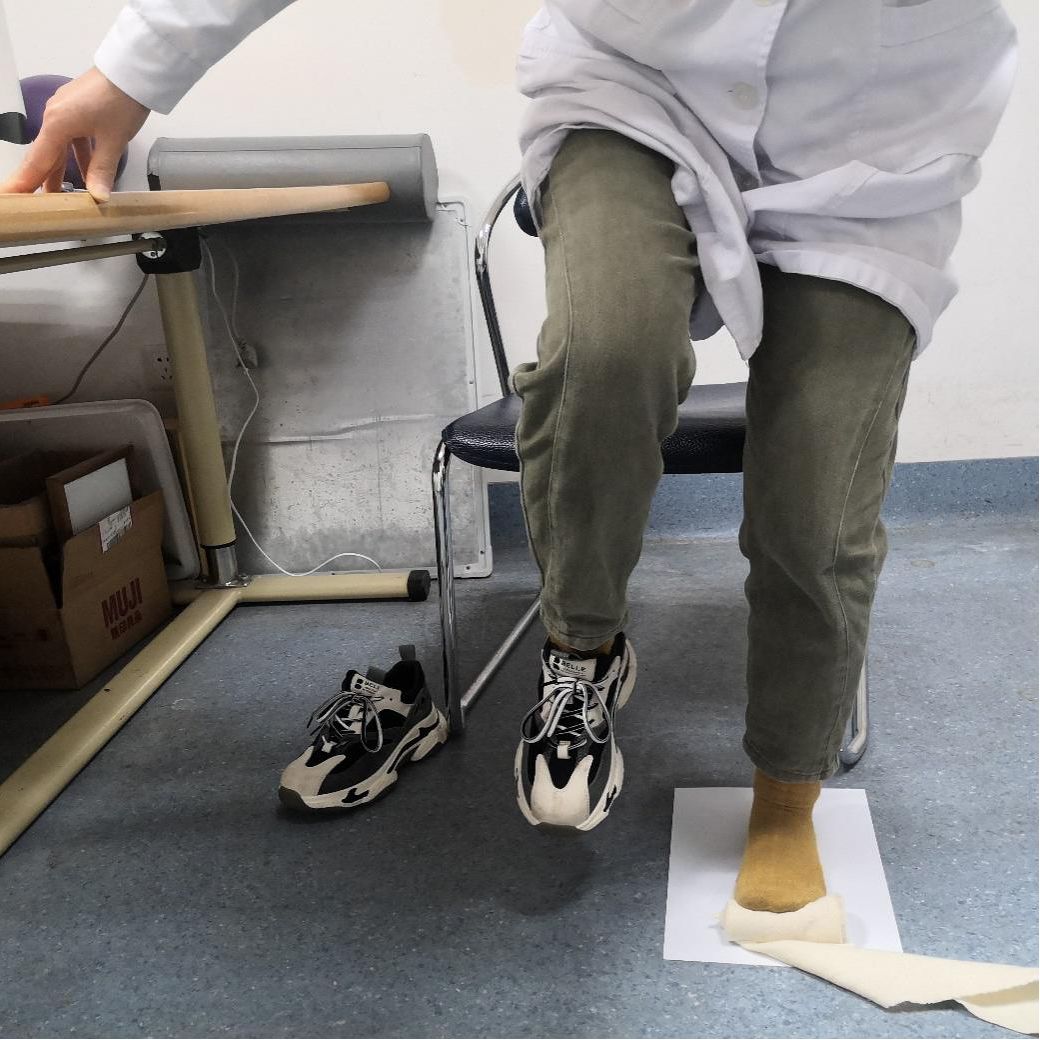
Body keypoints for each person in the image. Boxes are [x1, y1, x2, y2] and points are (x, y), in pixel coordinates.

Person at [3, 0, 1016, 915]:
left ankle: (787, 794)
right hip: (638, 86)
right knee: (606, 353)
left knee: (816, 503)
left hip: (876, 132)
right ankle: (583, 654)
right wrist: (133, 66)